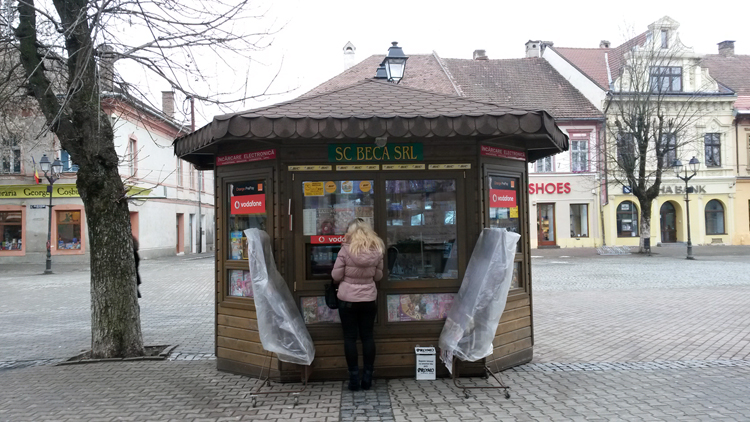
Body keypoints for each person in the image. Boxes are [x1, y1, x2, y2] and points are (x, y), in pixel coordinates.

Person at [332, 218, 384, 391]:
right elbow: (378, 277)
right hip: (369, 299)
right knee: (368, 337)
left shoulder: (345, 249)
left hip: (348, 300)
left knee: (350, 338)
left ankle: (354, 379)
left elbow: (336, 276)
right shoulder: (377, 250)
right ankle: (368, 378)